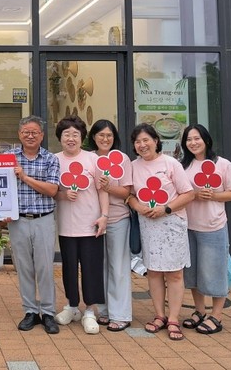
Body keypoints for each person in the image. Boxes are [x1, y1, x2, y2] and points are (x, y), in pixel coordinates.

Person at [126, 123, 194, 341]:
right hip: (148, 224)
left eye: (146, 140)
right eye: (138, 141)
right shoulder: (133, 166)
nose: (142, 145)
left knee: (174, 273)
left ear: (156, 141)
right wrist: (138, 207)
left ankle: (173, 318)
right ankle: (159, 315)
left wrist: (165, 209)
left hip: (172, 223)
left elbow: (188, 194)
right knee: (154, 271)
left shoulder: (170, 163)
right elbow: (129, 195)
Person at [180, 124, 231, 335]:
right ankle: (199, 311)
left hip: (214, 226)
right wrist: (193, 195)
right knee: (193, 273)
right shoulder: (183, 166)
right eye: (189, 139)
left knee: (215, 271)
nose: (193, 143)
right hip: (188, 226)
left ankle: (217, 315)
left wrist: (213, 195)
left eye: (197, 138)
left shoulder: (222, 164)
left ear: (206, 140)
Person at [53, 115, 109, 335]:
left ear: (82, 137)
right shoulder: (54, 160)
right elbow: (51, 191)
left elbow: (103, 190)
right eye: (66, 134)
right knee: (68, 267)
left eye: (75, 134)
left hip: (90, 224)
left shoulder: (93, 159)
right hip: (66, 225)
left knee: (91, 267)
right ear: (60, 137)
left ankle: (89, 310)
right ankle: (72, 306)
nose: (71, 138)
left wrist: (104, 216)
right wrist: (63, 195)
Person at [6, 116, 61, 335]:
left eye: (34, 132)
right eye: (26, 132)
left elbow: (52, 190)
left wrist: (25, 177)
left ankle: (48, 312)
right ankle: (30, 311)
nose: (30, 136)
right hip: (18, 220)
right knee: (24, 268)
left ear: (42, 135)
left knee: (45, 268)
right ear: (19, 134)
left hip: (43, 219)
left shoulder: (50, 159)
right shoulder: (8, 158)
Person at [87, 119, 134, 332]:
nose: (105, 139)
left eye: (109, 135)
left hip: (117, 219)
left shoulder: (122, 159)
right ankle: (105, 311)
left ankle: (121, 314)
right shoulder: (89, 158)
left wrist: (109, 187)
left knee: (118, 266)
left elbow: (126, 192)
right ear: (93, 137)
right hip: (91, 221)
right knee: (100, 266)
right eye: (101, 135)